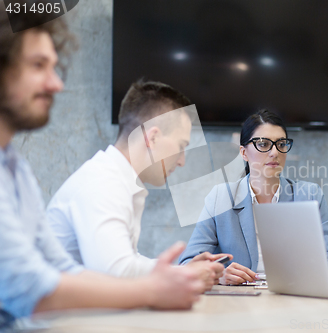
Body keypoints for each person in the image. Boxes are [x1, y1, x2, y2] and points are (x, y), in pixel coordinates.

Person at [0, 8, 215, 324]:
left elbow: (62, 269)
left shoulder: (15, 169)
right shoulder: (102, 181)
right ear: (152, 137)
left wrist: (176, 275)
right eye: (38, 65)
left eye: (54, 67)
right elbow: (33, 288)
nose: (57, 84)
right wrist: (156, 290)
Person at [46, 79, 229, 284]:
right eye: (181, 146)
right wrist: (184, 274)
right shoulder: (102, 184)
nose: (182, 161)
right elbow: (116, 272)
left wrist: (183, 269)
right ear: (152, 138)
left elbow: (127, 261)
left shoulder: (115, 178)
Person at [178, 109, 328, 285]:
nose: (274, 152)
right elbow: (188, 265)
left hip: (295, 297)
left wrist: (310, 279)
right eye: (263, 144)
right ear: (243, 153)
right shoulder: (220, 198)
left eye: (281, 144)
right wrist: (218, 276)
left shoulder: (309, 195)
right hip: (238, 303)